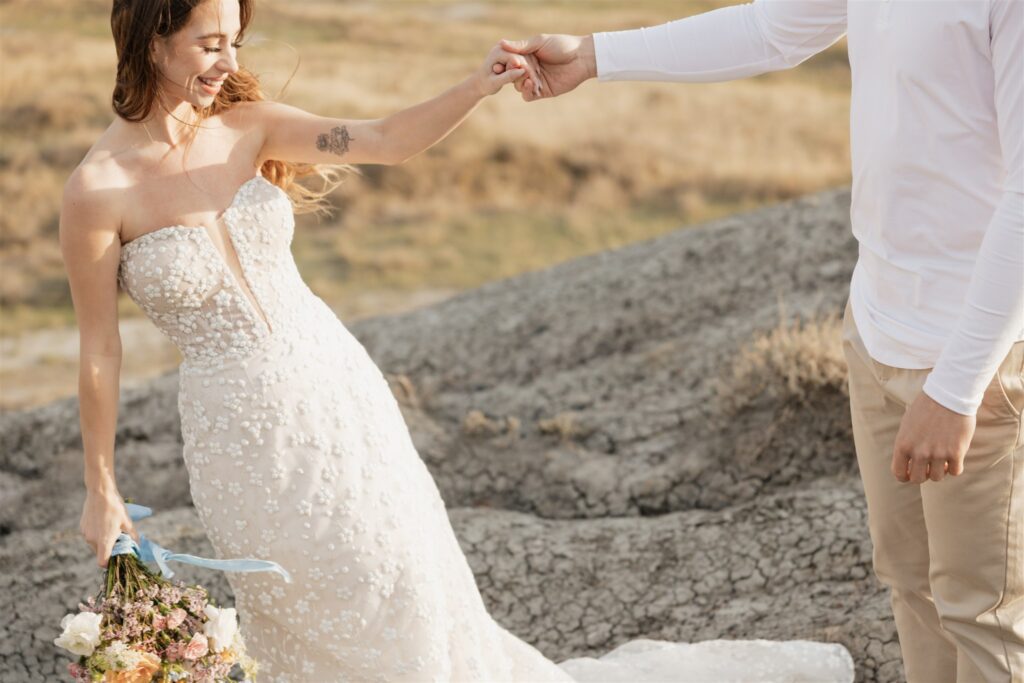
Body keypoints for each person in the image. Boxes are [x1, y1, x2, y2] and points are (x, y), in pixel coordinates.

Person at [62, 0, 854, 680]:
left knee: (401, 575)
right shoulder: (98, 191)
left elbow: (384, 138)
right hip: (237, 433)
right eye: (209, 43)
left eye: (235, 39)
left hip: (336, 390)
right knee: (301, 612)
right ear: (151, 37)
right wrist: (103, 486)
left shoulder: (249, 126)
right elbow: (99, 350)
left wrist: (480, 85)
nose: (228, 59)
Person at [499, 2, 1024, 682]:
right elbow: (771, 31)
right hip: (876, 330)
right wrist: (597, 57)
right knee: (913, 587)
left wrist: (955, 389)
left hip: (975, 361)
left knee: (982, 618)